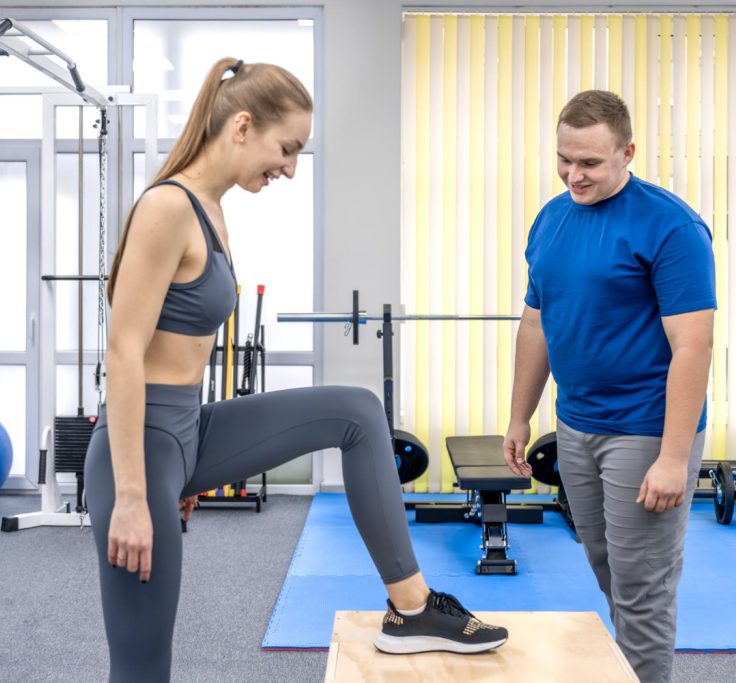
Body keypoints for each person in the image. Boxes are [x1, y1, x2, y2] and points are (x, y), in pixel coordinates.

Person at [84, 57, 507, 682]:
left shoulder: (210, 207)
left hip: (185, 433)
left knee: (358, 412)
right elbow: (122, 354)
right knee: (144, 664)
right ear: (243, 126)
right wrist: (133, 495)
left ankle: (412, 608)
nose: (288, 167)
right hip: (138, 450)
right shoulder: (166, 206)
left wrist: (191, 464)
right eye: (287, 148)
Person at [502, 90, 715, 683]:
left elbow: (692, 346)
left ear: (628, 152)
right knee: (606, 567)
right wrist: (521, 416)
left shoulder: (671, 226)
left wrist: (674, 458)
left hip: (645, 429)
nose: (575, 174)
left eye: (590, 162)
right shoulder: (551, 217)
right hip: (576, 424)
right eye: (564, 158)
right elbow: (537, 323)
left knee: (642, 587)